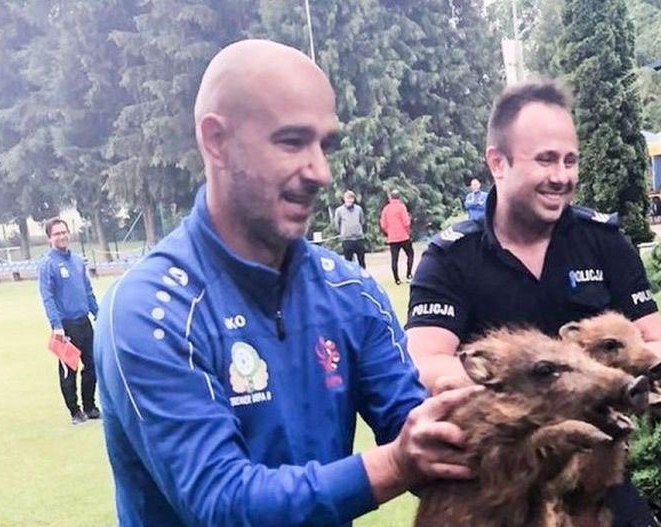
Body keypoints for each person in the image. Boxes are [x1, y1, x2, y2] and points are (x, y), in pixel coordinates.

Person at [93, 40, 479, 527]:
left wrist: (501, 416)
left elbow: (418, 433)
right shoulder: (151, 310)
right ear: (217, 141)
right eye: (292, 142)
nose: (321, 172)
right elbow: (223, 502)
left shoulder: (350, 293)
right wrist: (397, 463)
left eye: (325, 146)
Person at [405, 80, 661, 527]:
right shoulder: (451, 259)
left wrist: (624, 382)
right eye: (546, 159)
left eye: (570, 160)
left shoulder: (604, 243)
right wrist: (531, 389)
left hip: (595, 477)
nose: (562, 176)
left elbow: (658, 346)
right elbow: (425, 362)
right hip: (503, 488)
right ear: (498, 162)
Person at [37, 218, 100, 426]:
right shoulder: (48, 264)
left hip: (84, 322)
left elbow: (87, 291)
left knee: (92, 365)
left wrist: (98, 313)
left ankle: (90, 406)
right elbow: (47, 297)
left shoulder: (78, 261)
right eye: (56, 234)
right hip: (65, 326)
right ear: (49, 238)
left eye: (64, 232)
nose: (62, 236)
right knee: (68, 370)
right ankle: (75, 411)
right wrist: (56, 326)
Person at [379, 189, 414, 285]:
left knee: (394, 259)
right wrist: (408, 231)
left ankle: (397, 279)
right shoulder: (401, 207)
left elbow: (383, 224)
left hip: (392, 237)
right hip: (403, 236)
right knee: (410, 254)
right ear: (399, 197)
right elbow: (406, 222)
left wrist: (388, 232)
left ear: (390, 198)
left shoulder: (386, 209)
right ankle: (409, 275)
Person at [332, 189, 367, 268]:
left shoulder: (359, 209)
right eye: (347, 198)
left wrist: (359, 231)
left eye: (351, 198)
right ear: (344, 199)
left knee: (361, 261)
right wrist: (342, 233)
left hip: (358, 238)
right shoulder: (339, 210)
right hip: (347, 239)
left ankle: (362, 275)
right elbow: (337, 224)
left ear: (353, 199)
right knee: (348, 263)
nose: (349, 200)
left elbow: (362, 221)